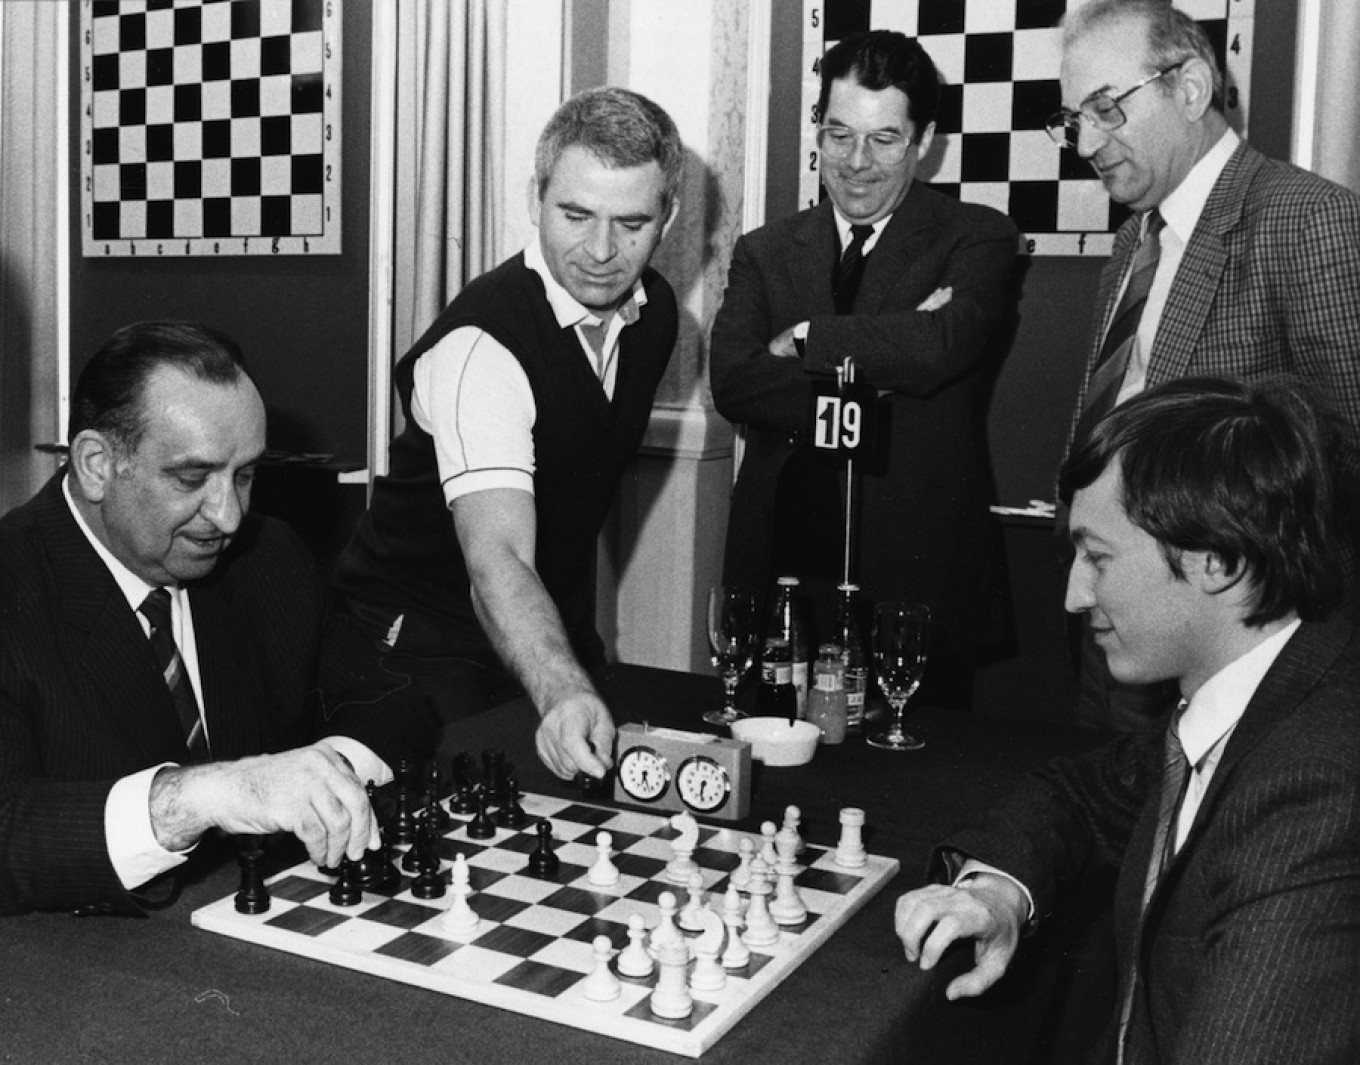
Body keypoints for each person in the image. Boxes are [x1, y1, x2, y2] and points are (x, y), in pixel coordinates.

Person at [895, 376, 1360, 1064]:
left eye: (1099, 557)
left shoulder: (1317, 791)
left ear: (1219, 561)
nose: (1075, 595)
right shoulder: (1256, 697)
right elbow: (1084, 792)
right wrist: (998, 891)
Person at [324, 87, 682, 780]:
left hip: (545, 635)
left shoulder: (657, 314)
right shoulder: (481, 347)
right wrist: (565, 688)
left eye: (631, 222)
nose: (601, 251)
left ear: (665, 220)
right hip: (414, 647)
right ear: (534, 199)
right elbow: (498, 561)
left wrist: (572, 673)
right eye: (575, 214)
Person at [0, 321, 403, 917]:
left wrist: (322, 779)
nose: (229, 516)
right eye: (192, 478)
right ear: (95, 465)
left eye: (244, 475)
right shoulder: (12, 586)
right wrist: (203, 797)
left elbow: (388, 705)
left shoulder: (269, 557)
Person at [1052, 0, 1360, 729]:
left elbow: (1348, 456)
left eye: (1106, 109)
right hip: (1116, 615)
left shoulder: (1308, 220)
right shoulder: (1134, 243)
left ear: (1190, 88)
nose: (1086, 141)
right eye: (1073, 119)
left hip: (1235, 649)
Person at [709, 30, 1018, 704]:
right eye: (839, 133)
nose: (855, 162)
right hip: (784, 569)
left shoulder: (978, 236)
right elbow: (733, 379)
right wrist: (882, 366)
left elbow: (941, 348)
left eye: (884, 139)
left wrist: (805, 339)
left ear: (923, 141)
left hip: (912, 582)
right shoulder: (765, 250)